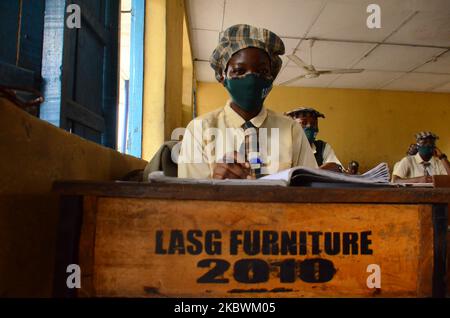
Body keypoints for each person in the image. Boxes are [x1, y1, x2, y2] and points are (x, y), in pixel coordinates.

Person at [177, 24, 318, 179]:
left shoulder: (291, 130)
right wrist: (216, 184)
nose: (252, 78)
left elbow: (310, 188)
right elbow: (190, 197)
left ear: (271, 78)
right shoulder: (199, 130)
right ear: (223, 77)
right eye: (239, 71)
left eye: (263, 71)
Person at [285, 107, 343, 172]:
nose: (309, 126)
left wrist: (313, 174)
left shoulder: (322, 147)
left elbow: (336, 167)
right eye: (303, 123)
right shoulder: (283, 147)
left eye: (313, 124)